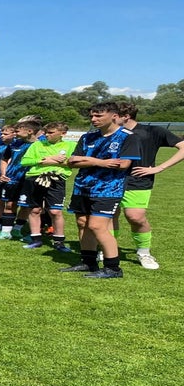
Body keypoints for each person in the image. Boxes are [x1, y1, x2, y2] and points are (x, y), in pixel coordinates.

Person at [60, 102, 140, 278]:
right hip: (82, 186)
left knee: (97, 226)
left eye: (98, 115)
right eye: (91, 116)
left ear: (114, 116)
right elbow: (72, 161)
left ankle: (113, 268)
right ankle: (88, 262)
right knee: (83, 223)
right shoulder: (87, 137)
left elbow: (123, 164)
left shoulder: (127, 137)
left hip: (108, 189)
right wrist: (100, 162)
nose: (93, 119)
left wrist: (86, 160)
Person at [115, 102, 184, 269]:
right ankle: (106, 249)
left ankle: (144, 252)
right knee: (109, 216)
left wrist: (159, 168)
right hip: (110, 179)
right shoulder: (110, 132)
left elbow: (182, 147)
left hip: (138, 180)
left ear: (126, 116)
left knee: (135, 217)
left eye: (114, 116)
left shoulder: (152, 131)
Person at [17, 121, 73, 249]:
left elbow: (74, 162)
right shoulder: (37, 145)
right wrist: (44, 160)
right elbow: (24, 161)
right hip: (34, 178)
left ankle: (59, 241)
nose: (47, 135)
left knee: (55, 211)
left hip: (56, 179)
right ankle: (36, 239)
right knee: (34, 210)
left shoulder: (71, 145)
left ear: (63, 133)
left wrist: (53, 161)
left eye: (51, 133)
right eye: (46, 132)